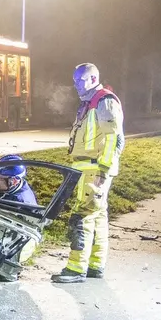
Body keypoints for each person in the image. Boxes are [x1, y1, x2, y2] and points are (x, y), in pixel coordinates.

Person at [52, 63, 125, 283]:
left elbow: (114, 138)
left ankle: (76, 269)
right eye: (74, 81)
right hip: (89, 167)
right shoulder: (91, 103)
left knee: (81, 216)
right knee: (97, 216)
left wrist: (103, 169)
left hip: (95, 169)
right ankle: (95, 265)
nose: (76, 85)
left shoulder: (104, 101)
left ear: (93, 79)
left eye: (80, 81)